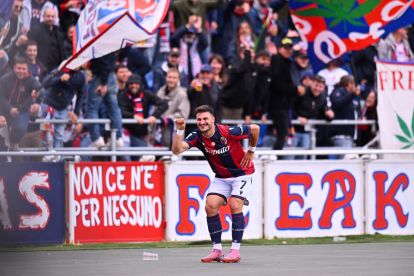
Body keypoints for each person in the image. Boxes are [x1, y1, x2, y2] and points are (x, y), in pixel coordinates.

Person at [172, 104, 260, 263]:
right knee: (210, 206)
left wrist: (251, 150)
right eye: (199, 119)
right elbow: (177, 150)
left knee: (235, 205)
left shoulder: (228, 131)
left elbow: (255, 128)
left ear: (213, 119)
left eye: (205, 118)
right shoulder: (197, 136)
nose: (202, 122)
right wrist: (179, 130)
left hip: (242, 174)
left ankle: (235, 251)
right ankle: (217, 250)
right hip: (221, 177)